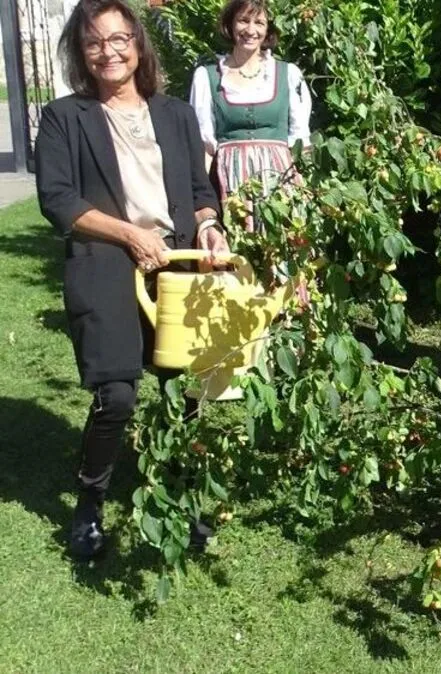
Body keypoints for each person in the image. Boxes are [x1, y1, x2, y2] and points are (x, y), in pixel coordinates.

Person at [36, 0, 227, 561]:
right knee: (117, 393)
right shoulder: (64, 117)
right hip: (106, 262)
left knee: (181, 391)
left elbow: (198, 193)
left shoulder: (175, 115)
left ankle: (180, 495)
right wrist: (129, 234)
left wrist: (210, 229)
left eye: (119, 39)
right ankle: (90, 504)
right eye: (94, 42)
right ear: (81, 51)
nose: (107, 52)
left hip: (178, 264)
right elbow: (59, 201)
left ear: (138, 45)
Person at [189, 0, 312, 208]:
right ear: (230, 25)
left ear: (268, 30)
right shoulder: (207, 77)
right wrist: (201, 202)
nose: (251, 30)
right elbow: (205, 147)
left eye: (259, 23)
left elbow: (301, 141)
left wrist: (307, 188)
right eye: (243, 21)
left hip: (281, 185)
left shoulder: (289, 74)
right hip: (230, 185)